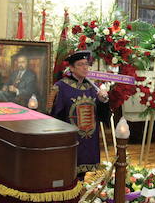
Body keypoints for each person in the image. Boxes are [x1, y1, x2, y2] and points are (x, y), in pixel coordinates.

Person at [47, 50, 111, 178]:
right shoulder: (61, 87)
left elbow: (103, 116)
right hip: (71, 140)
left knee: (84, 175)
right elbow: (54, 115)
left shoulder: (93, 88)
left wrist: (103, 101)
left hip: (89, 140)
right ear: (71, 68)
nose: (85, 67)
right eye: (80, 64)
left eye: (86, 64)